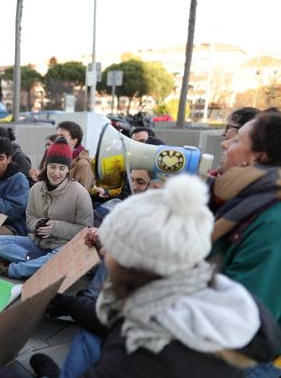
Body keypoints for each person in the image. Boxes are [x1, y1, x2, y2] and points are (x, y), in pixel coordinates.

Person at [27, 175, 281, 378]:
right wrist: (69, 305)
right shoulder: (204, 297)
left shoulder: (140, 350)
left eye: (114, 246)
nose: (104, 251)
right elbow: (116, 319)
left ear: (135, 261)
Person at [0, 137, 92, 278]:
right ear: (46, 165)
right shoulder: (36, 189)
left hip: (62, 247)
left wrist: (55, 227)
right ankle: (37, 265)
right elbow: (30, 218)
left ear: (68, 169)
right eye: (52, 167)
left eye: (62, 168)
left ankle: (10, 269)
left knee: (58, 258)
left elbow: (84, 231)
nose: (56, 173)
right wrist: (37, 224)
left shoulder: (80, 194)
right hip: (37, 244)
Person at [210, 112, 281, 331]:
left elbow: (244, 317)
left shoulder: (273, 222)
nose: (225, 144)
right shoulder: (244, 201)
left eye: (236, 140)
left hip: (243, 354)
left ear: (258, 157)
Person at [56, 121, 95, 190]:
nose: (57, 139)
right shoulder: (57, 157)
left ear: (74, 141)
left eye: (62, 136)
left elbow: (82, 194)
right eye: (57, 136)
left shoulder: (83, 164)